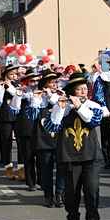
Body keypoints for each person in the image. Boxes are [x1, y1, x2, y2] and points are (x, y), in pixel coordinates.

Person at [44, 72, 105, 220]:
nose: (84, 92)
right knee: (72, 192)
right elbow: (52, 127)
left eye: (85, 89)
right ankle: (74, 219)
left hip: (91, 155)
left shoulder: (94, 106)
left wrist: (79, 106)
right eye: (79, 90)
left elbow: (93, 121)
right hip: (70, 156)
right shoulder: (63, 107)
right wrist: (60, 107)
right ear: (72, 92)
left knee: (92, 190)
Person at [30, 70, 65, 207]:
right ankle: (48, 195)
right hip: (43, 138)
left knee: (62, 168)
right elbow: (32, 113)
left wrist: (53, 95)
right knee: (46, 169)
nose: (54, 85)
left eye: (55, 82)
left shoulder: (60, 95)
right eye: (51, 83)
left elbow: (61, 106)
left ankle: (59, 194)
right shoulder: (38, 97)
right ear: (44, 84)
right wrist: (39, 96)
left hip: (60, 137)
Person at [12, 68, 42, 189]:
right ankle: (31, 182)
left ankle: (42, 180)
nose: (35, 83)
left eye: (36, 80)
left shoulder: (43, 93)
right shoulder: (22, 94)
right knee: (28, 157)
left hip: (41, 131)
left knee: (41, 159)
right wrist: (19, 94)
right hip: (26, 130)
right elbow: (15, 108)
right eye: (32, 81)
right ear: (27, 82)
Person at [0, 64, 20, 178]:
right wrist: (0, 88)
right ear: (5, 75)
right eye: (11, 74)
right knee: (6, 142)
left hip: (18, 117)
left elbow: (18, 95)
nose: (14, 76)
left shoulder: (18, 85)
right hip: (5, 116)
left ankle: (21, 169)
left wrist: (10, 87)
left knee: (20, 144)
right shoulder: (0, 85)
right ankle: (8, 168)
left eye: (15, 74)